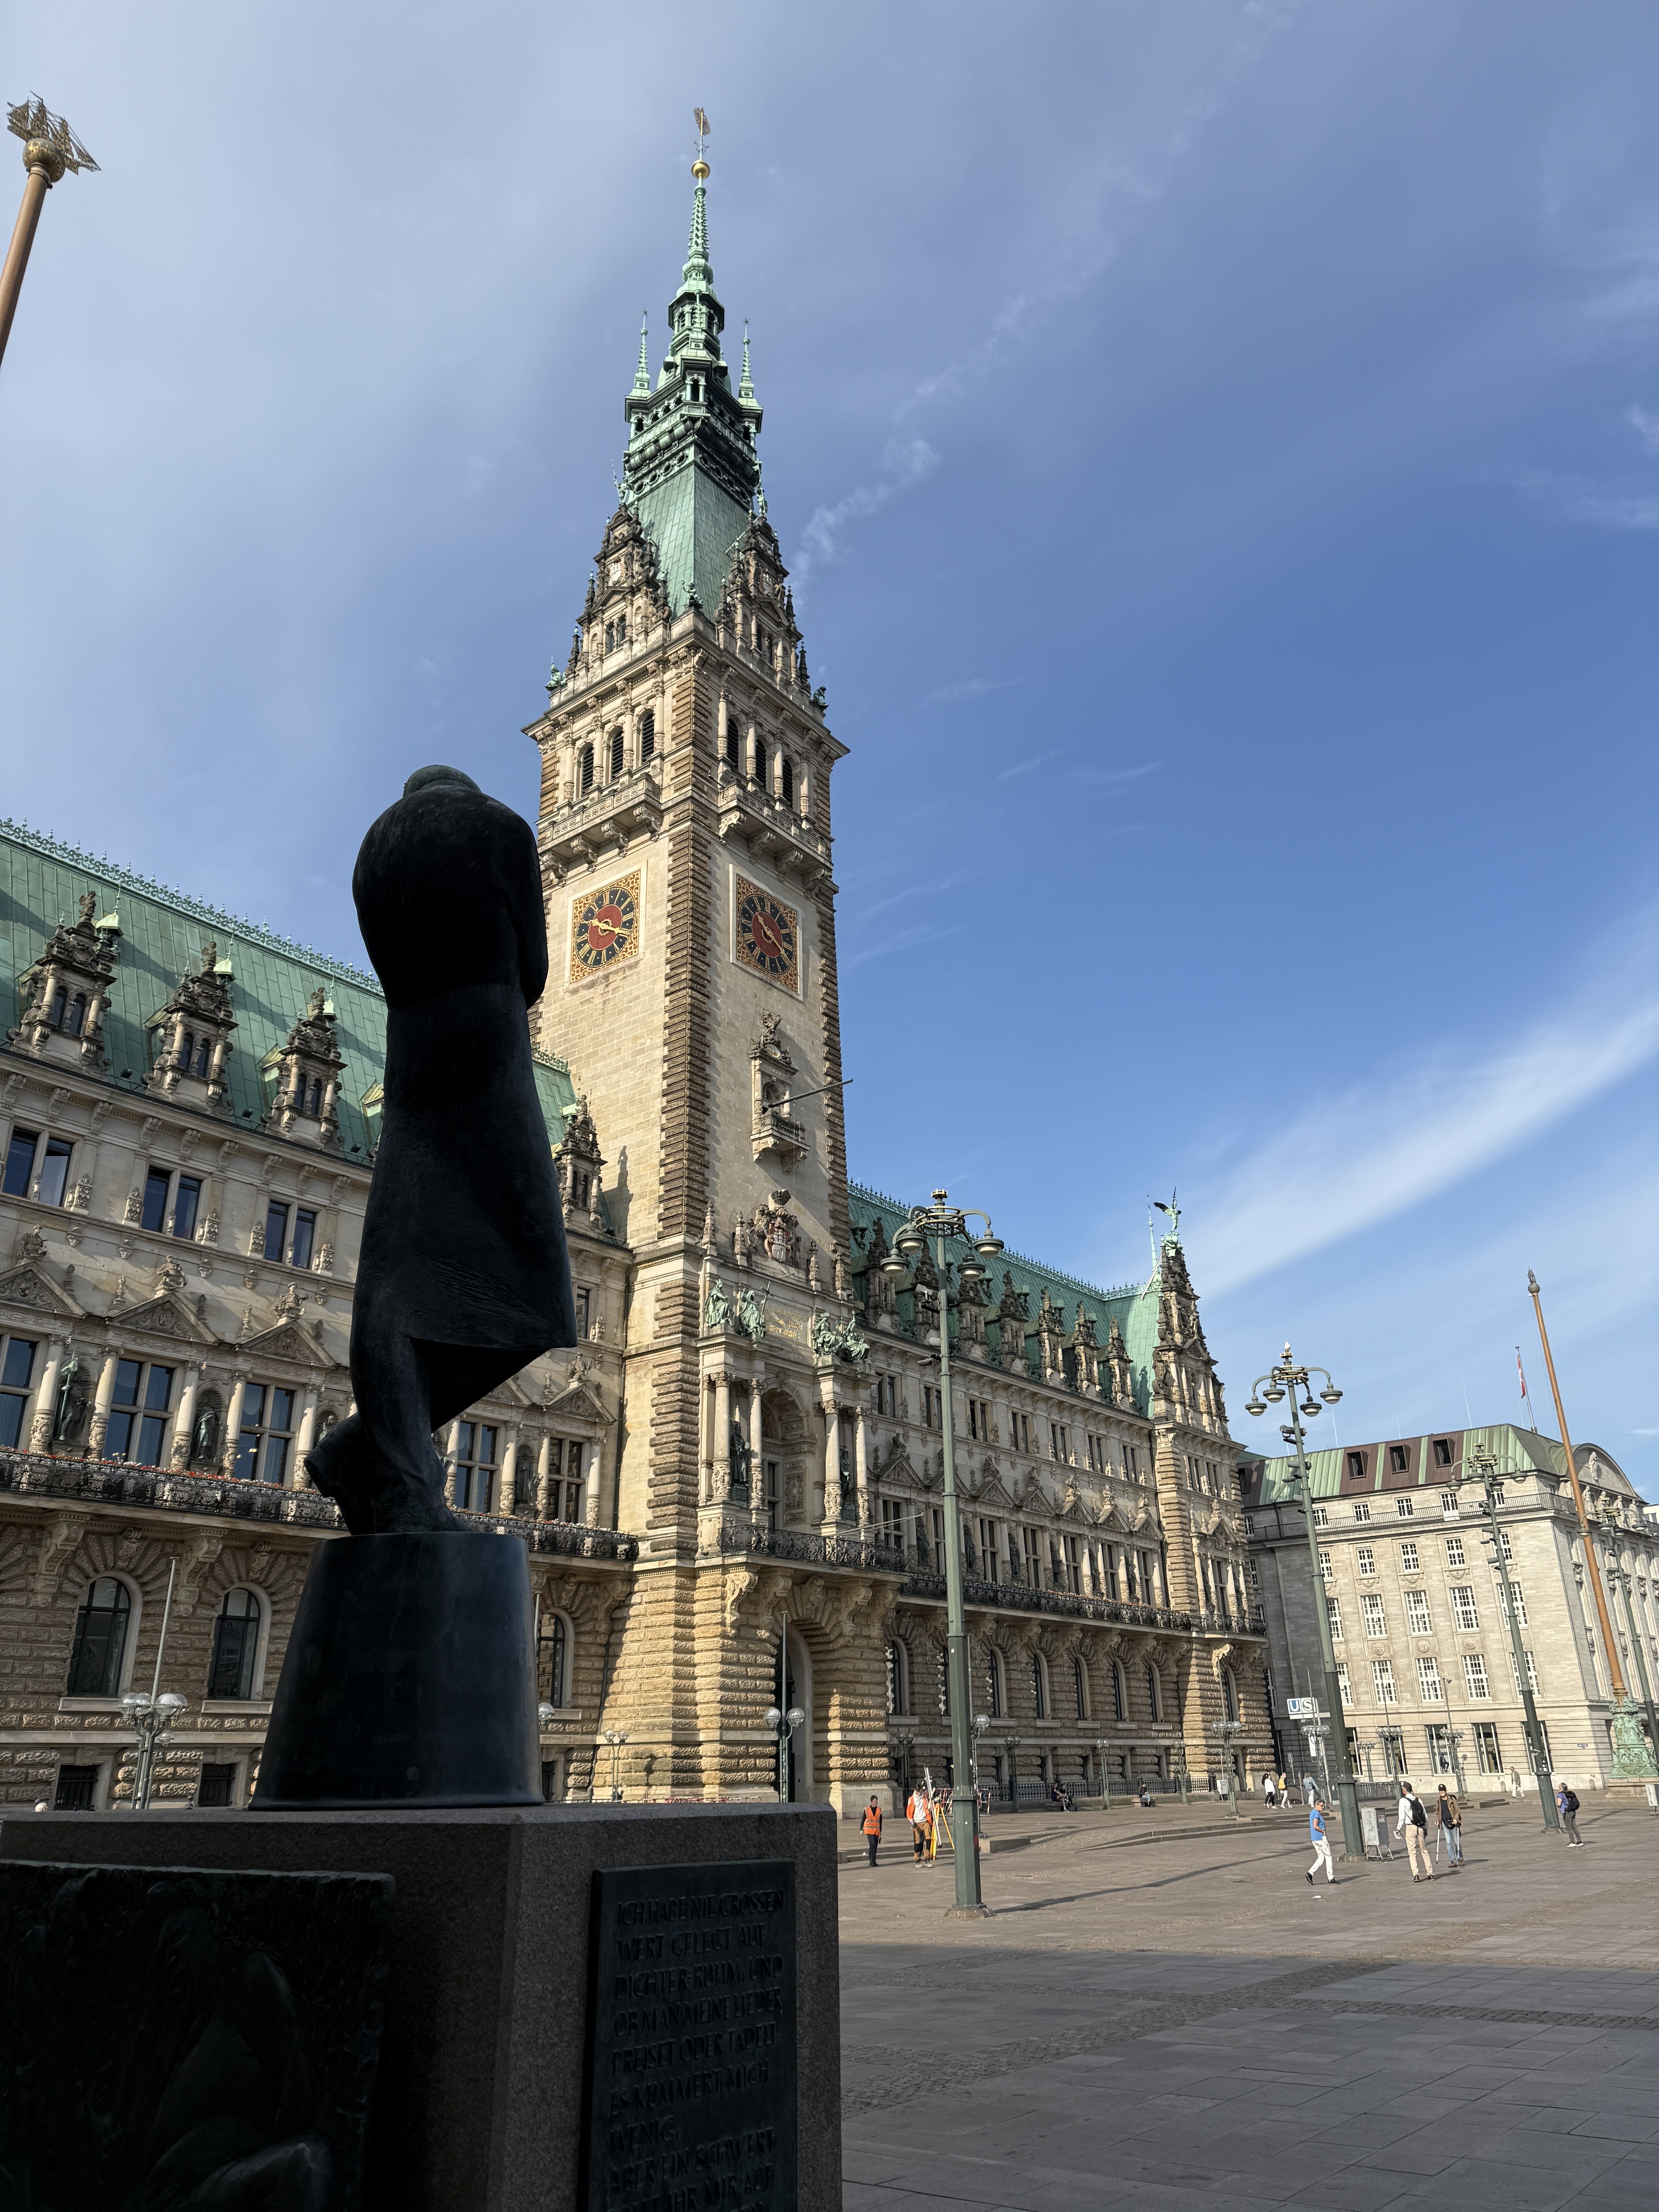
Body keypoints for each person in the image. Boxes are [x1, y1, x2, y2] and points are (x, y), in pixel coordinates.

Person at [1395, 1778, 1432, 1880]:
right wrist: (1426, 1828)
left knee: (1412, 1852)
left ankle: (1416, 1875)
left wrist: (1398, 1829)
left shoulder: (1403, 1801)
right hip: (1421, 1827)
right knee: (1424, 1850)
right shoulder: (1418, 1800)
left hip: (1411, 1827)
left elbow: (1402, 1817)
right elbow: (1425, 1816)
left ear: (1404, 1790)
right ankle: (1430, 1873)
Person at [1306, 1793, 1335, 1886]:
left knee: (1321, 1857)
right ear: (1316, 1805)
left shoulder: (1312, 1813)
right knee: (1328, 1856)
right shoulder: (1316, 1813)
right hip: (1321, 1838)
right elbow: (1315, 1826)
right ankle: (1331, 1877)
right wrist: (1323, 1832)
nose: (1323, 1807)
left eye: (1323, 1806)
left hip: (1314, 1839)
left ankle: (1310, 1873)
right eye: (1322, 1805)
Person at [1436, 1781, 1463, 1869]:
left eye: (1443, 1791)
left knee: (1457, 1843)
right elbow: (1438, 1813)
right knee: (1449, 1843)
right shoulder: (1439, 1801)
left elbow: (1458, 1811)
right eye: (1440, 1791)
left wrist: (1456, 1819)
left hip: (1453, 1823)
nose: (1442, 1793)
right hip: (1445, 1824)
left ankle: (1460, 1858)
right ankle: (1453, 1861)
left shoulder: (1452, 1799)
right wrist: (1438, 1821)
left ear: (1446, 1791)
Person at [907, 1788, 929, 1865]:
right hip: (917, 1822)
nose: (919, 1793)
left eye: (920, 1792)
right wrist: (912, 1821)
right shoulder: (912, 1799)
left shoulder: (924, 1797)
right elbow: (909, 1811)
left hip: (925, 1821)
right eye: (918, 1792)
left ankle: (927, 1858)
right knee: (918, 1841)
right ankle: (917, 1859)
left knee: (929, 1839)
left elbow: (927, 1807)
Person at [1557, 1781, 1583, 1846]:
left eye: (1559, 1785)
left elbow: (1559, 1804)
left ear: (1561, 1788)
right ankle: (1580, 1841)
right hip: (1573, 1811)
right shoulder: (1570, 1793)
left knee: (1569, 1828)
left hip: (1566, 1812)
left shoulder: (1560, 1794)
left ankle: (1572, 1842)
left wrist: (1560, 1806)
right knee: (1574, 1827)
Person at [862, 1795, 883, 1867]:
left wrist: (880, 1831)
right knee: (873, 1845)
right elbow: (863, 1819)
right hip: (869, 1831)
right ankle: (871, 1860)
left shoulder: (879, 1810)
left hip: (876, 1831)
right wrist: (861, 1829)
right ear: (872, 1802)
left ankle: (874, 1861)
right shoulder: (867, 1810)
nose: (876, 1803)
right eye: (874, 1802)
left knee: (875, 1847)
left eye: (876, 1801)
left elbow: (880, 1821)